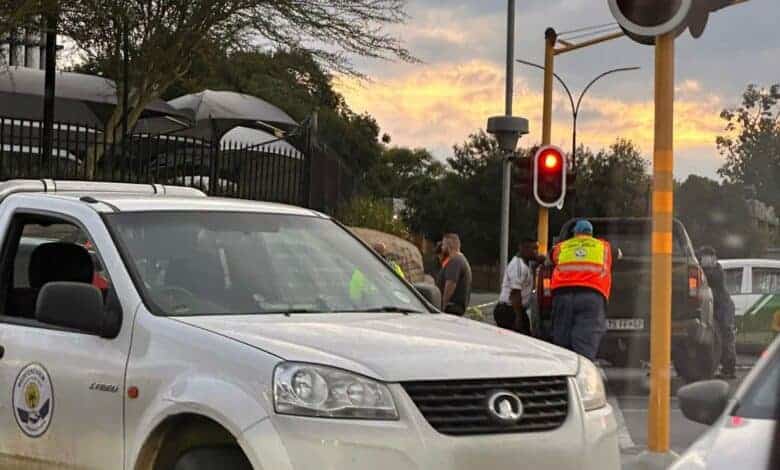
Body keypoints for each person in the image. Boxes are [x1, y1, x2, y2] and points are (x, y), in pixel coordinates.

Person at [549, 220, 612, 360]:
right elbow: (618, 254)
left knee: (561, 343)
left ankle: (564, 373)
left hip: (562, 295)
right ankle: (581, 375)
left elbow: (551, 257)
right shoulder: (604, 247)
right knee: (585, 345)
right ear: (591, 234)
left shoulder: (561, 247)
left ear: (575, 233)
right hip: (591, 296)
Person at [699, 246, 737, 380]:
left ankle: (729, 369)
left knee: (727, 337)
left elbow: (709, 277)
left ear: (714, 258)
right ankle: (723, 368)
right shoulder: (707, 270)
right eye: (703, 257)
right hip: (715, 308)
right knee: (717, 339)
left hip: (724, 308)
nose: (705, 259)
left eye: (707, 257)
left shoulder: (717, 271)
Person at [494, 239, 536, 334]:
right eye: (533, 249)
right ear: (523, 249)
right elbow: (515, 293)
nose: (536, 252)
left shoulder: (526, 265)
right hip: (509, 310)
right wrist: (518, 318)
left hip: (515, 309)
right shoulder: (518, 266)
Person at [438, 233, 472, 316]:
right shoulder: (460, 260)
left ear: (449, 246)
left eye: (443, 245)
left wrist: (443, 305)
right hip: (456, 308)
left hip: (452, 308)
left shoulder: (455, 261)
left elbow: (451, 283)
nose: (442, 248)